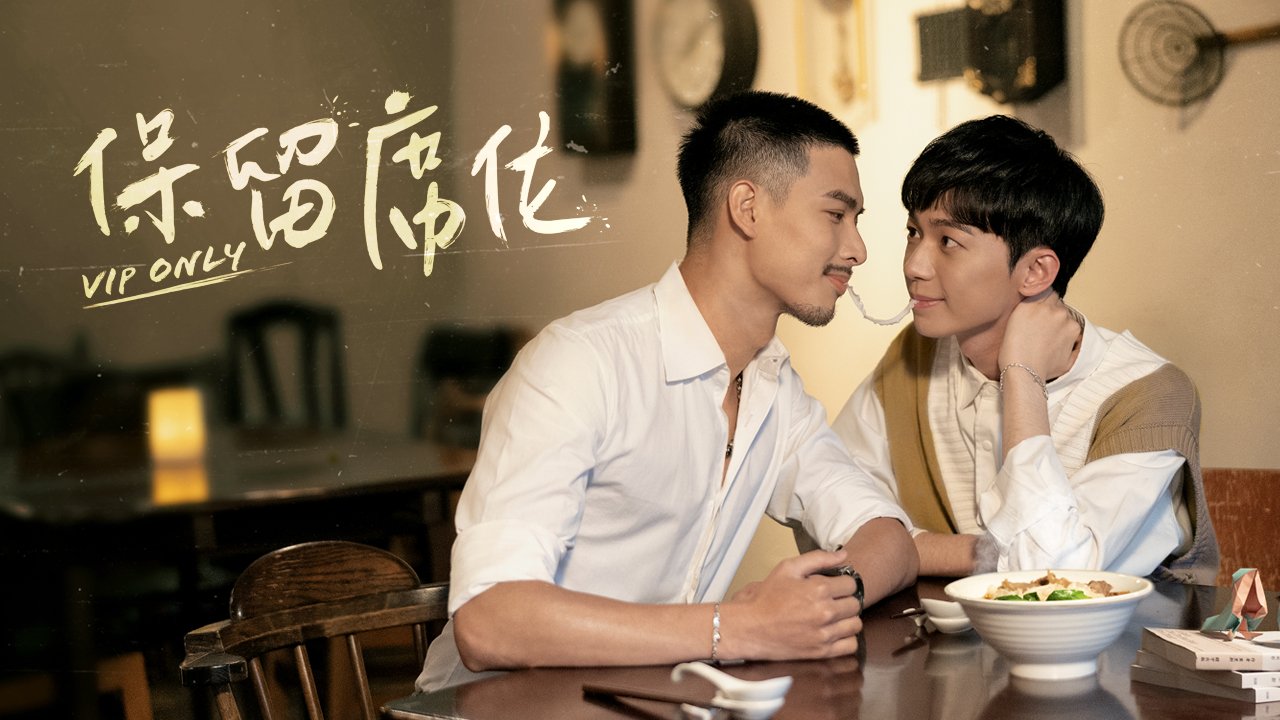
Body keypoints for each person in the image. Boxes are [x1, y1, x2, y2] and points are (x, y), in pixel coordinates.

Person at [416, 90, 917, 691]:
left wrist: (825, 602)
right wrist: (739, 627)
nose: (858, 249)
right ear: (747, 209)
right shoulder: (580, 362)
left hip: (647, 702)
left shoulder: (772, 386)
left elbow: (887, 536)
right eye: (836, 215)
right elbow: (489, 621)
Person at [830, 115, 1218, 582]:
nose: (914, 265)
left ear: (1036, 271)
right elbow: (830, 510)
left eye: (948, 241)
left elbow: (1054, 579)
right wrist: (976, 554)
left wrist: (1022, 375)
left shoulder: (1148, 394)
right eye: (914, 232)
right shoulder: (915, 356)